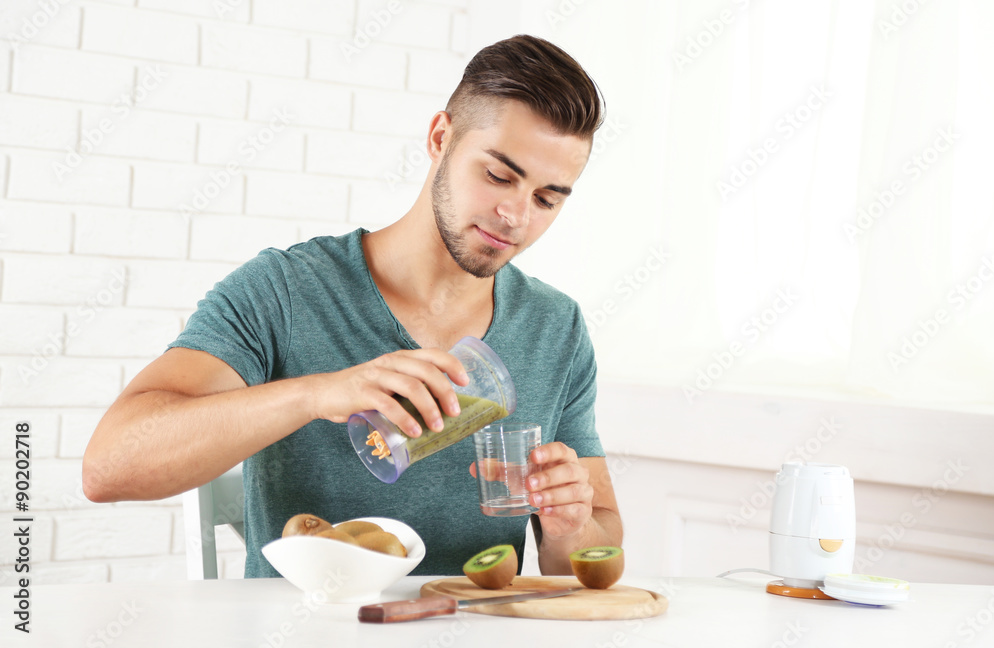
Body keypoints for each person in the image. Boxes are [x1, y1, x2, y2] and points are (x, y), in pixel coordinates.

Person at [83, 34, 622, 578]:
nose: (515, 213)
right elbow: (109, 467)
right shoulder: (287, 290)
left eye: (547, 198)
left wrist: (570, 524)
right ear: (441, 137)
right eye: (498, 175)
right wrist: (316, 393)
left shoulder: (557, 328)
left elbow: (592, 555)